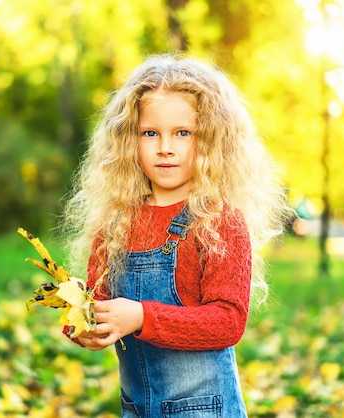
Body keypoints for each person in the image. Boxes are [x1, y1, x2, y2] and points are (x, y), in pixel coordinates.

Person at [60, 54, 287, 417]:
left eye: (182, 133)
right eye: (150, 133)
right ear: (128, 139)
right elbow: (97, 300)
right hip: (137, 408)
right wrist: (84, 327)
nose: (165, 147)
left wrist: (141, 318)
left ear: (211, 139)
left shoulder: (218, 221)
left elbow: (227, 321)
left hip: (204, 410)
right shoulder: (116, 222)